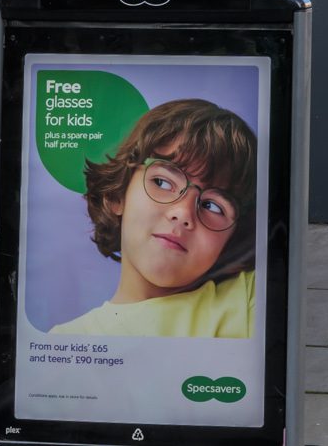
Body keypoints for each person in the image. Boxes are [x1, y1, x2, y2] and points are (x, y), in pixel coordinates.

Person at [52, 98, 258, 337]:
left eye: (212, 206)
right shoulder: (66, 339)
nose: (183, 214)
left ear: (232, 239)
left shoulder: (249, 296)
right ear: (118, 195)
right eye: (162, 182)